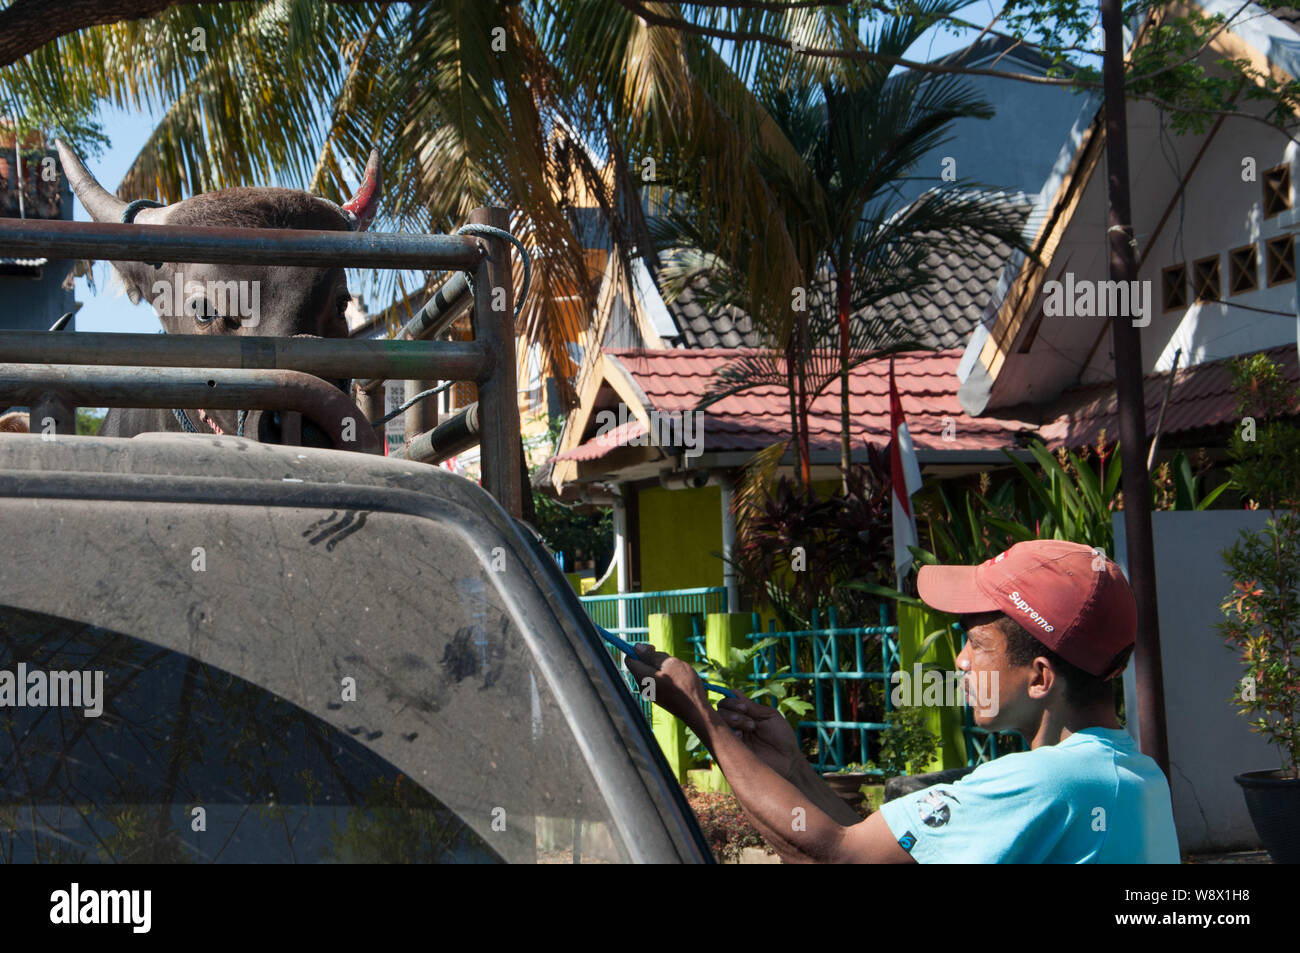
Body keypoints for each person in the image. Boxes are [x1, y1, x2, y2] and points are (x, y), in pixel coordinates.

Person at [626, 539, 1181, 863]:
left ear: (1040, 677)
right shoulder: (1133, 772)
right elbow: (889, 853)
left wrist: (702, 717)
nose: (961, 662)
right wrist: (793, 768)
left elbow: (841, 854)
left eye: (976, 643)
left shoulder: (1044, 783)